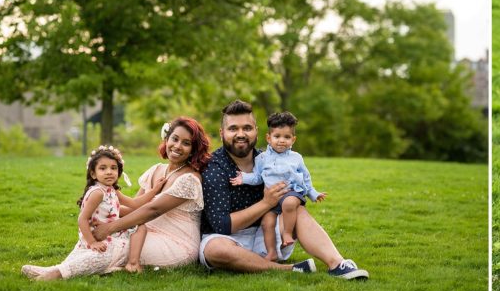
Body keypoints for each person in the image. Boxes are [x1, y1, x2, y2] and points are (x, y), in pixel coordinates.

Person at [199, 99, 368, 280]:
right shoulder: (214, 167)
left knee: (297, 209)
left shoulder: (268, 158)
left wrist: (303, 194)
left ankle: (338, 264)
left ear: (256, 130)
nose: (241, 134)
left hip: (265, 235)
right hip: (226, 239)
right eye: (233, 129)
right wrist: (266, 203)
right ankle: (290, 269)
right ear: (222, 132)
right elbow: (222, 226)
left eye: (247, 128)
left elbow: (295, 186)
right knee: (215, 250)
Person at [20, 144, 163, 280]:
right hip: (96, 238)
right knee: (79, 264)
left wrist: (155, 190)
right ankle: (50, 275)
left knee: (140, 226)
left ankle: (50, 272)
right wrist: (93, 242)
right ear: (93, 174)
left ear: (118, 172)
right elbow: (82, 219)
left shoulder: (112, 190)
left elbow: (134, 203)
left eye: (113, 168)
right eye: (103, 168)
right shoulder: (98, 193)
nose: (109, 172)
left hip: (108, 236)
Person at [105, 117, 212, 271]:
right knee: (103, 238)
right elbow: (134, 209)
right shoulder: (156, 170)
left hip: (176, 243)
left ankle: (64, 272)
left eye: (186, 143)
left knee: (114, 244)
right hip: (145, 232)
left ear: (193, 150)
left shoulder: (189, 179)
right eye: (174, 139)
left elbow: (153, 210)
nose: (177, 146)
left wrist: (109, 228)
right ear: (166, 139)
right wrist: (104, 210)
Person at [229, 111, 325, 261]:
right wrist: (243, 178)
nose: (282, 141)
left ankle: (287, 233)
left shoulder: (296, 158)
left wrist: (313, 193)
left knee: (289, 203)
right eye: (277, 136)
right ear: (268, 138)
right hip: (272, 199)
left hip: (291, 192)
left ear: (293, 139)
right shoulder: (261, 159)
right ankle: (272, 252)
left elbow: (306, 177)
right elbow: (257, 177)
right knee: (267, 222)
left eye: (287, 137)